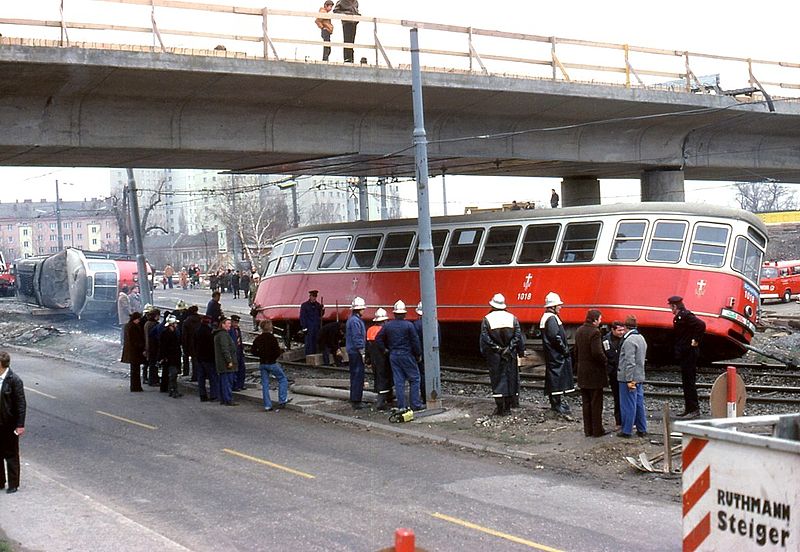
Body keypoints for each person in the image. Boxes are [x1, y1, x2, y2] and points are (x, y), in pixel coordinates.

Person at [479, 293, 525, 416]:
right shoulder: (512, 318)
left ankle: (500, 408)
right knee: (511, 379)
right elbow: (517, 336)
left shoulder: (487, 319)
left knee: (497, 380)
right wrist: (510, 349)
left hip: (495, 356)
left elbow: (485, 338)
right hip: (510, 354)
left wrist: (498, 349)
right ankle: (508, 408)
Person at [377, 300, 424, 412]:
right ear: (404, 314)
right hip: (406, 355)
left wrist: (385, 350)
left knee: (399, 381)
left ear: (394, 313)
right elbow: (415, 341)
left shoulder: (388, 326)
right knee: (415, 378)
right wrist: (418, 354)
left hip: (393, 355)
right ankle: (415, 404)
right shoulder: (409, 325)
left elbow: (378, 338)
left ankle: (401, 406)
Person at [668, 295, 706, 420]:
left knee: (689, 382)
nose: (670, 309)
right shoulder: (680, 317)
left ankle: (694, 409)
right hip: (685, 353)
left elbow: (701, 325)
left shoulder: (686, 316)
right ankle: (689, 408)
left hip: (689, 353)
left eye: (670, 306)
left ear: (675, 306)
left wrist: (695, 340)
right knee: (686, 382)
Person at [575, 309, 608, 437]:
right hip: (594, 373)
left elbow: (576, 351)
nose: (601, 321)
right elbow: (597, 352)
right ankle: (597, 430)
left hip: (582, 372)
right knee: (596, 403)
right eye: (600, 319)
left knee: (586, 403)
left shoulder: (579, 331)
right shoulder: (595, 332)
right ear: (594, 320)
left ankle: (588, 430)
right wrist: (605, 361)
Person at [540, 292, 575, 415]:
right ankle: (556, 404)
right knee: (556, 379)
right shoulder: (551, 319)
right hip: (556, 355)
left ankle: (556, 403)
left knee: (555, 378)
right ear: (552, 307)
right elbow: (555, 337)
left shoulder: (548, 317)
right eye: (558, 305)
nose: (560, 307)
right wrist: (564, 350)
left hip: (553, 355)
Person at [617, 315, 648, 438]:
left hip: (628, 378)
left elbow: (630, 362)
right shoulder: (641, 338)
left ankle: (627, 430)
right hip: (639, 376)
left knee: (628, 404)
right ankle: (642, 429)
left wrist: (629, 379)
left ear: (625, 327)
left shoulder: (629, 341)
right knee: (639, 403)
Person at [0, 351, 26, 494]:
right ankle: (0, 481)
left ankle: (13, 484)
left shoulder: (14, 380)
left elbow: (21, 404)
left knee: (11, 454)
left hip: (9, 423)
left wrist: (20, 424)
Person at [252, 319, 290, 412]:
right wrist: (274, 357)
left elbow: (253, 351)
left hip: (262, 363)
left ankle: (267, 405)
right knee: (282, 379)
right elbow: (277, 352)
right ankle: (282, 400)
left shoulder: (258, 338)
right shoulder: (272, 338)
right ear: (270, 327)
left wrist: (260, 355)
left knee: (265, 384)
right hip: (272, 363)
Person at [412, 301, 440, 406]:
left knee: (422, 375)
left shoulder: (416, 324)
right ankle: (435, 393)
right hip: (432, 351)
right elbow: (438, 338)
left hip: (421, 353)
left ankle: (425, 397)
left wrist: (417, 353)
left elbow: (415, 341)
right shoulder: (435, 322)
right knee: (434, 373)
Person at [366, 308, 393, 410]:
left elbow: (367, 346)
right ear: (384, 321)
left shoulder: (370, 330)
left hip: (374, 359)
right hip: (383, 358)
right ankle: (381, 402)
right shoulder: (384, 331)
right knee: (385, 378)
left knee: (377, 377)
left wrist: (367, 359)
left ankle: (387, 397)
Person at [602, 321, 626, 429]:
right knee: (617, 397)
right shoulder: (606, 340)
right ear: (613, 330)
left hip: (623, 371)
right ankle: (619, 421)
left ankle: (627, 420)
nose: (622, 332)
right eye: (619, 330)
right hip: (613, 372)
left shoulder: (626, 339)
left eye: (623, 330)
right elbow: (605, 354)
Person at [345, 296, 368, 409]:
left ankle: (355, 398)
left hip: (353, 351)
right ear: (359, 309)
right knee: (358, 375)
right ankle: (356, 400)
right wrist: (362, 351)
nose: (364, 310)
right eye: (363, 308)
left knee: (355, 375)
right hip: (356, 352)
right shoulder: (355, 321)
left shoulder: (353, 320)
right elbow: (357, 337)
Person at [214, 317, 238, 406]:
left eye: (230, 323)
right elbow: (225, 349)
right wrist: (229, 361)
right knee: (227, 382)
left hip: (222, 363)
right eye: (228, 323)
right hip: (225, 364)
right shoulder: (223, 335)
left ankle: (224, 399)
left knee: (224, 381)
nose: (230, 325)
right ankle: (228, 399)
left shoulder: (220, 334)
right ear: (223, 325)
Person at [195, 316, 219, 402]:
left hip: (199, 357)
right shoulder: (209, 332)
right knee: (212, 377)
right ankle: (214, 395)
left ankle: (202, 395)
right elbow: (212, 345)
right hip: (208, 358)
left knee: (201, 378)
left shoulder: (197, 330)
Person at [121, 312, 146, 392]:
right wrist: (141, 346)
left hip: (132, 351)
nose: (139, 321)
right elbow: (134, 340)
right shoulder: (132, 327)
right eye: (138, 319)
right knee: (135, 370)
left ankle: (135, 386)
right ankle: (136, 386)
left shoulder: (128, 326)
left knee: (135, 370)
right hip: (134, 351)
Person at [159, 315, 183, 398]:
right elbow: (164, 347)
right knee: (173, 374)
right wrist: (164, 357)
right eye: (175, 324)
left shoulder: (172, 332)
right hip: (170, 357)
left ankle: (173, 389)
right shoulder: (166, 334)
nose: (176, 325)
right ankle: (172, 390)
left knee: (174, 374)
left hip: (173, 357)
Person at [299, 290, 324, 356]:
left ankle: (314, 356)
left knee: (315, 342)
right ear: (310, 296)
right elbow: (302, 317)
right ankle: (308, 356)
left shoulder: (318, 305)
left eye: (315, 297)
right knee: (309, 343)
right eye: (313, 296)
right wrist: (304, 327)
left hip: (316, 326)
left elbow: (320, 315)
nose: (314, 298)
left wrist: (322, 309)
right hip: (309, 326)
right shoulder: (304, 305)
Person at [182, 305, 202, 382]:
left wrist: (185, 347)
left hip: (191, 344)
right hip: (200, 343)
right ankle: (202, 375)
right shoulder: (200, 319)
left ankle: (195, 376)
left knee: (194, 360)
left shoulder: (186, 321)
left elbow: (184, 336)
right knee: (200, 360)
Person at [143, 307, 161, 386]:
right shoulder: (154, 324)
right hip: (153, 347)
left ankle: (150, 379)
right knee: (153, 365)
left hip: (148, 346)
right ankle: (153, 380)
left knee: (150, 364)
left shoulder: (147, 323)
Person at [229, 315, 247, 391]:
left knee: (242, 368)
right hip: (234, 351)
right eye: (235, 322)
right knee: (235, 369)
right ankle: (235, 385)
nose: (236, 324)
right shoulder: (230, 330)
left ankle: (240, 384)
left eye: (237, 322)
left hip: (239, 350)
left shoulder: (237, 329)